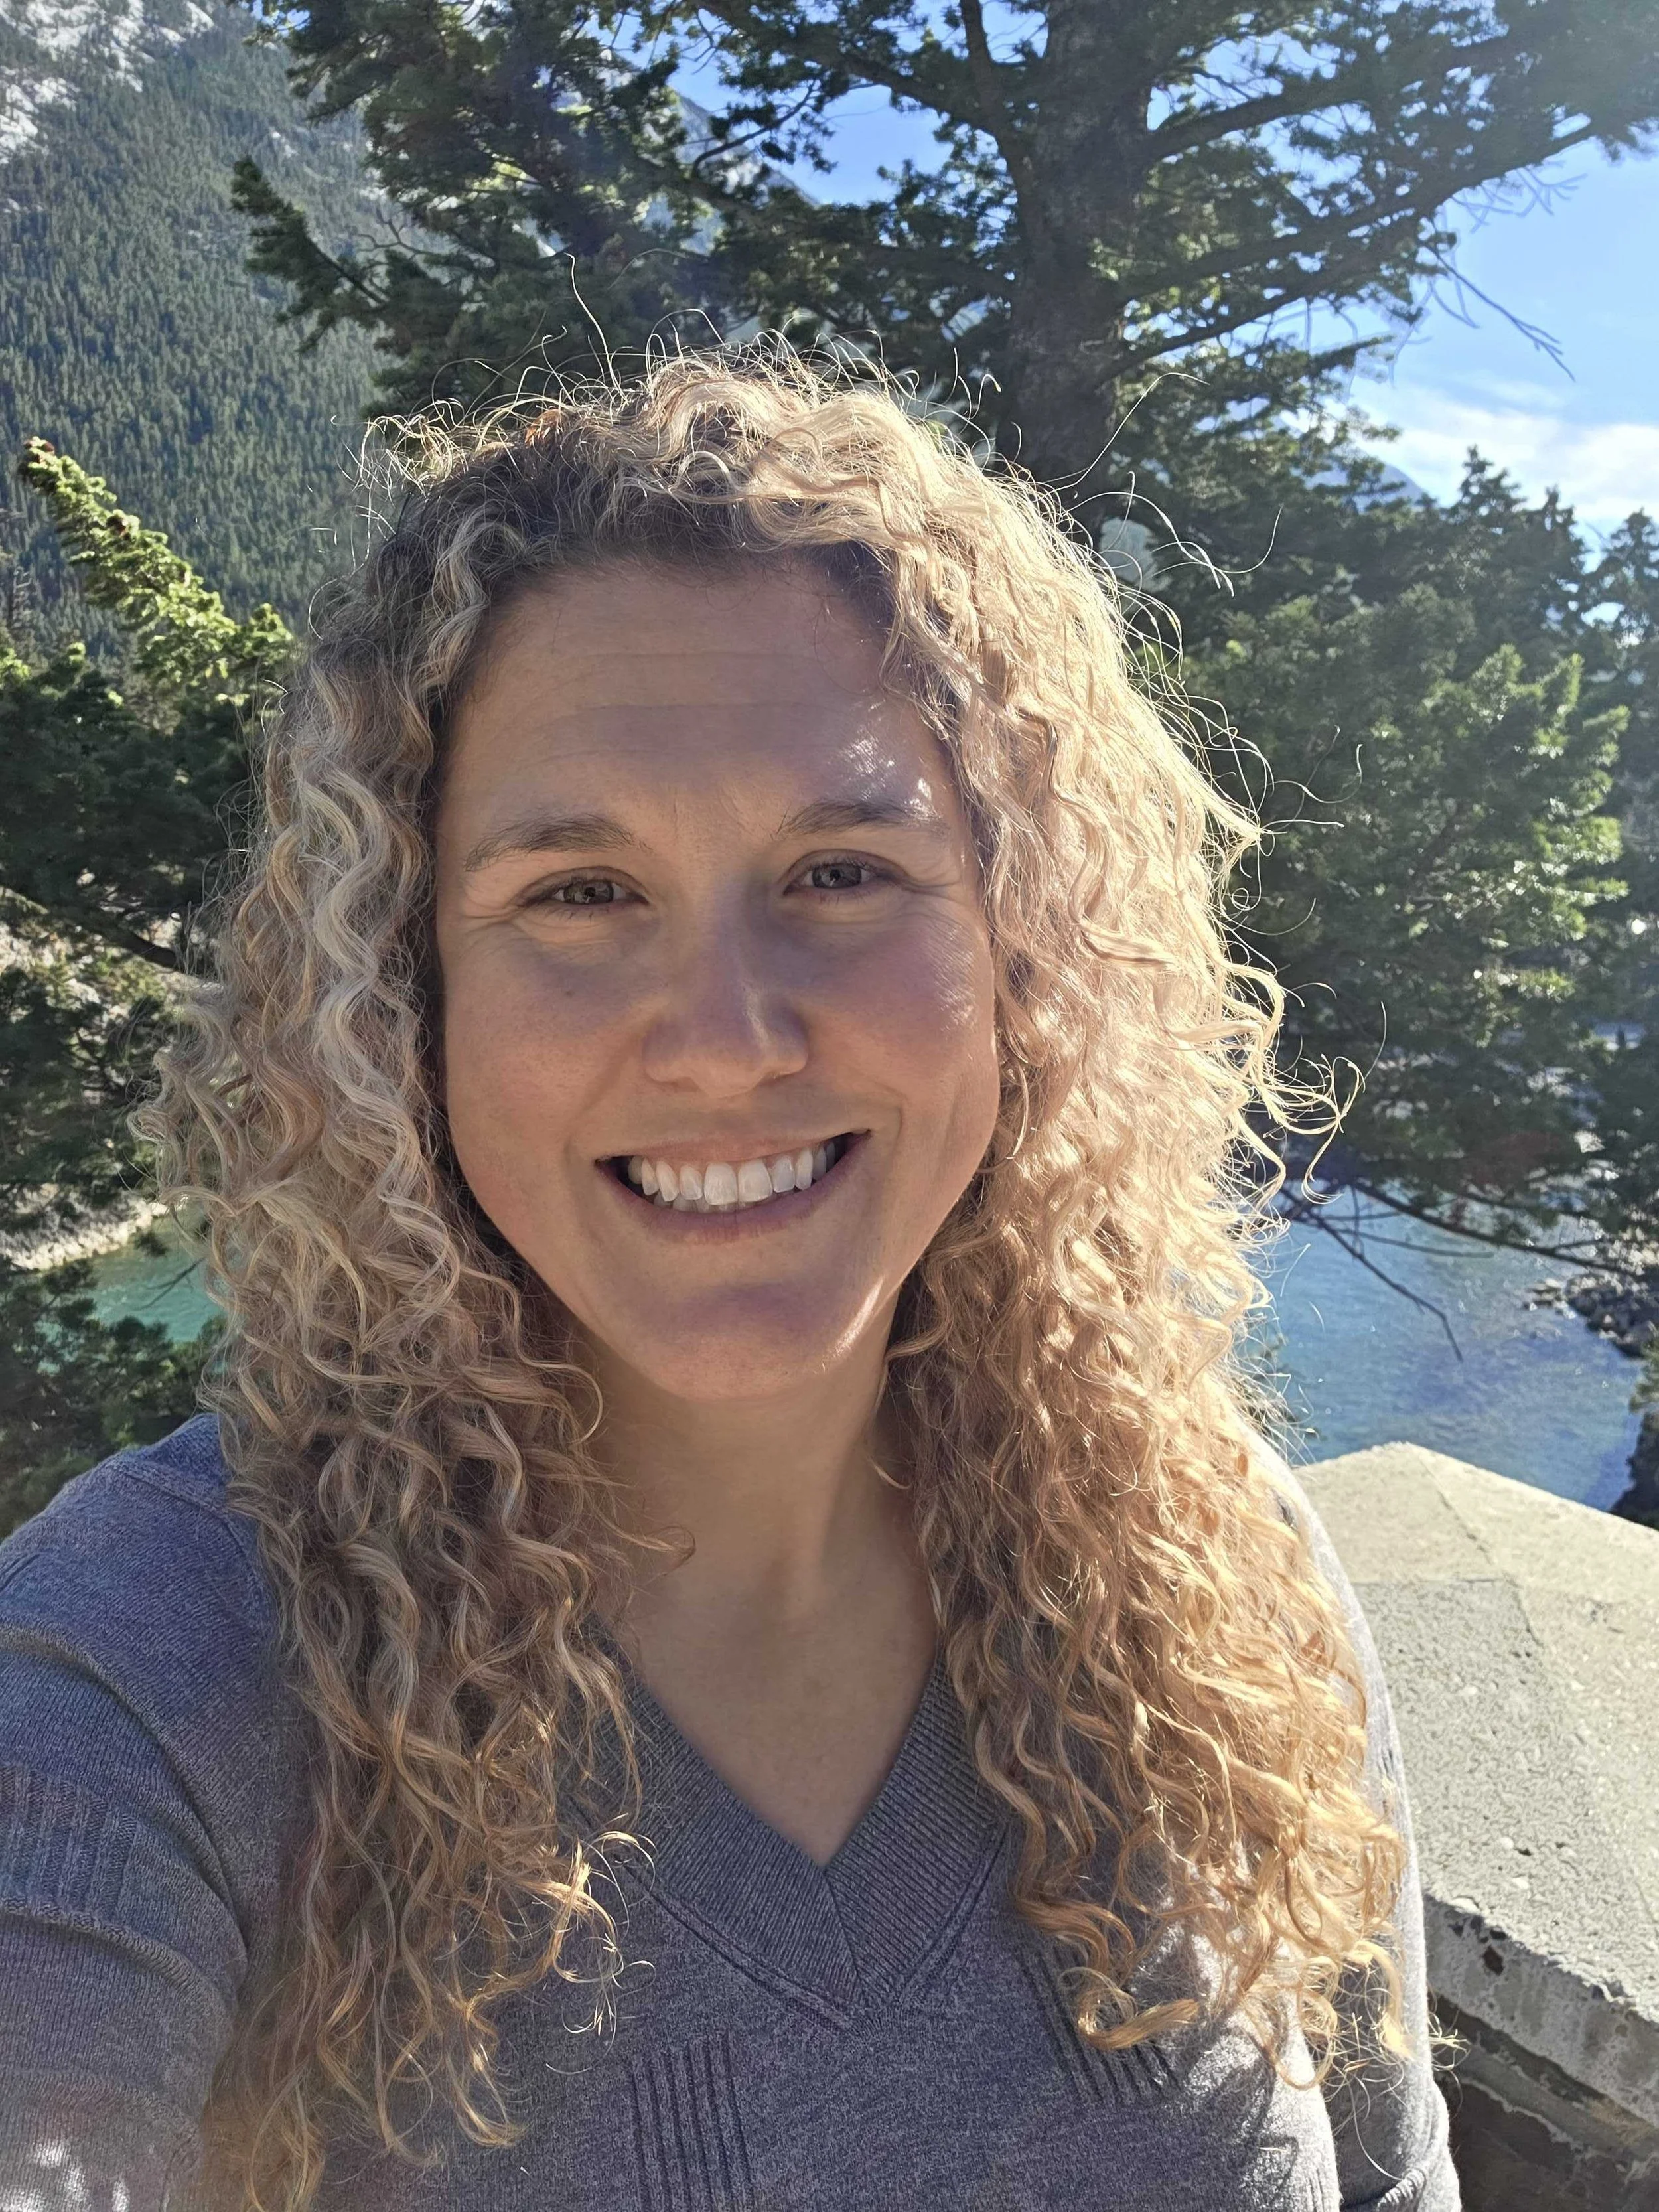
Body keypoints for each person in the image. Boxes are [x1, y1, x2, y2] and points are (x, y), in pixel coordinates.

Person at [0, 350, 1459, 2211]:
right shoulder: (142, 1680)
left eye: (840, 872)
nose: (723, 1039)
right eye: (578, 893)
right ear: (408, 997)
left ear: (1021, 950)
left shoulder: (1217, 1573)